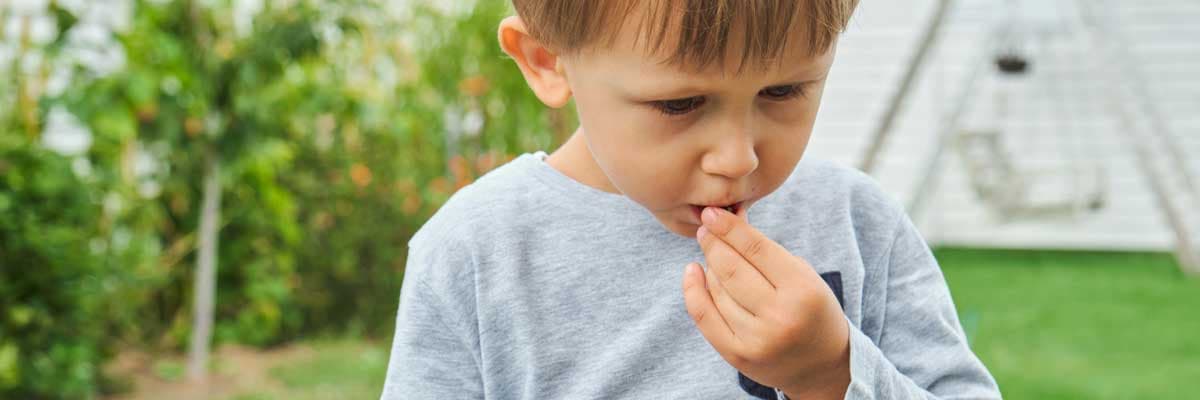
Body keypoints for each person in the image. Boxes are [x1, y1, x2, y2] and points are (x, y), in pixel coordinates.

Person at [381, 1, 1001, 399]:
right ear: (547, 61)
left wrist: (832, 374)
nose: (738, 158)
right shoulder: (476, 250)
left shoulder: (856, 222)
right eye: (680, 104)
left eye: (783, 91)